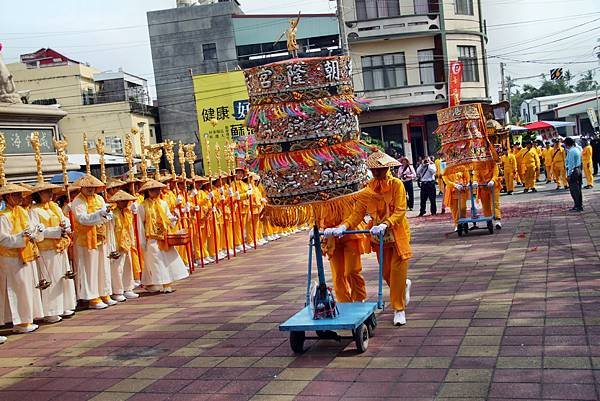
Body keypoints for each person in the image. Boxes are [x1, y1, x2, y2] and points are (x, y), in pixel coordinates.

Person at [325, 151, 412, 326]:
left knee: (396, 271)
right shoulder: (368, 187)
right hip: (379, 238)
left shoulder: (397, 185)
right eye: (373, 170)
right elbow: (358, 213)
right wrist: (344, 226)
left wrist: (386, 224)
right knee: (387, 273)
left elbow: (401, 210)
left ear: (387, 168)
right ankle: (403, 286)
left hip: (397, 234)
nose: (376, 173)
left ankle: (399, 309)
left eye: (379, 169)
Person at [0, 183, 44, 333]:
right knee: (17, 288)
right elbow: (3, 239)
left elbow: (30, 227)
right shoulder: (3, 216)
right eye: (16, 195)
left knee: (27, 287)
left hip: (27, 252)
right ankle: (20, 323)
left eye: (20, 195)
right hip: (11, 256)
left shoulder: (23, 212)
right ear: (7, 197)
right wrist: (20, 237)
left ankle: (28, 318)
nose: (20, 198)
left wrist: (36, 231)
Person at [29, 181, 77, 322]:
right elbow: (37, 232)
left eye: (50, 191)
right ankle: (51, 310)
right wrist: (56, 231)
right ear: (38, 194)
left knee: (63, 276)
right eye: (45, 192)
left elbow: (65, 220)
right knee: (52, 277)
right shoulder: (34, 211)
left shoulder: (54, 207)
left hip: (60, 246)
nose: (49, 194)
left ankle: (64, 305)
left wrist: (65, 225)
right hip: (47, 249)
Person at [71, 174, 115, 309]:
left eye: (93, 187)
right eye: (88, 187)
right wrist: (99, 215)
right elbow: (82, 219)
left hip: (100, 236)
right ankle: (92, 297)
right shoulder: (77, 202)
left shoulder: (99, 198)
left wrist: (106, 214)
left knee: (103, 266)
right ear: (82, 187)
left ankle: (105, 293)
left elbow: (108, 213)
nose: (91, 189)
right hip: (86, 240)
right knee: (90, 268)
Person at [137, 179, 189, 293]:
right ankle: (158, 283)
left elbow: (168, 216)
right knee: (155, 261)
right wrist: (142, 241)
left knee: (166, 259)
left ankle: (165, 284)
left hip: (164, 236)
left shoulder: (163, 203)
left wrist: (174, 219)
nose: (155, 192)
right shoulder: (142, 206)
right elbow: (140, 224)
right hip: (152, 237)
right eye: (153, 190)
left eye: (157, 190)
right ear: (147, 192)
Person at [107, 190, 139, 302]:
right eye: (123, 201)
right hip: (116, 243)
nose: (125, 203)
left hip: (127, 242)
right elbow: (110, 231)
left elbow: (130, 228)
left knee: (127, 266)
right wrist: (111, 248)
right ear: (118, 202)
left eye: (127, 201)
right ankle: (118, 291)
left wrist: (132, 241)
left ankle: (128, 288)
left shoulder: (127, 213)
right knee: (117, 268)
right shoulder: (113, 214)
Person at [564, 137, 583, 212]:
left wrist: (568, 175)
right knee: (578, 189)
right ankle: (579, 205)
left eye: (565, 143)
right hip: (578, 169)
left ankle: (577, 206)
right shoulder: (577, 149)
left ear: (567, 144)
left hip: (573, 171)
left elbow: (571, 164)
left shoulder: (571, 151)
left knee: (574, 190)